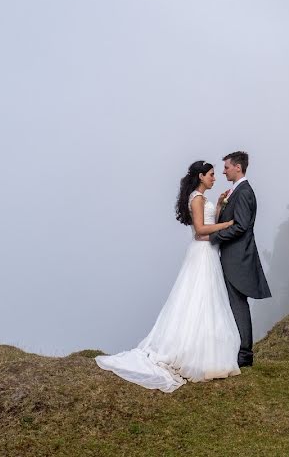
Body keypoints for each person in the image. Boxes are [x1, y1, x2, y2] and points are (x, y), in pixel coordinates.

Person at [95, 160, 242, 392]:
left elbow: (208, 222)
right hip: (202, 252)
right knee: (198, 298)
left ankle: (206, 354)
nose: (215, 178)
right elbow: (200, 230)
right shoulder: (197, 198)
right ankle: (192, 354)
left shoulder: (202, 198)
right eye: (212, 174)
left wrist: (221, 205)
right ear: (201, 176)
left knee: (208, 300)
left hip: (209, 252)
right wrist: (226, 224)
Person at [210, 151, 271, 368]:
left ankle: (244, 355)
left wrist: (214, 236)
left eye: (226, 167)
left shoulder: (244, 192)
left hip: (237, 257)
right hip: (232, 256)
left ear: (238, 167)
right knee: (233, 304)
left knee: (238, 304)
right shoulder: (236, 191)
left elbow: (241, 226)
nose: (223, 171)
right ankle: (236, 350)